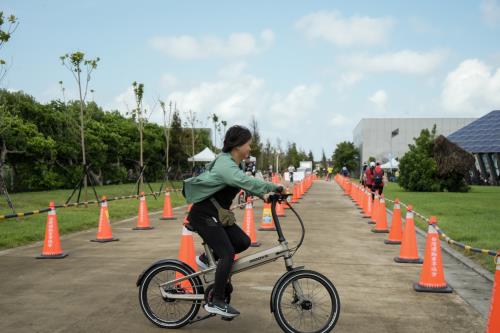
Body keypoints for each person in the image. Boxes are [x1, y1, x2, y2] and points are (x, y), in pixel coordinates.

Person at [182, 125, 281, 318]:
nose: (250, 148)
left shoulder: (235, 164)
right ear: (237, 145)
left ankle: (205, 259)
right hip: (203, 214)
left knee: (243, 241)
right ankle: (217, 301)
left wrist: (264, 195)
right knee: (227, 253)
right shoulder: (225, 164)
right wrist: (271, 186)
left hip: (216, 215)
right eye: (248, 144)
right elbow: (245, 181)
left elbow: (245, 183)